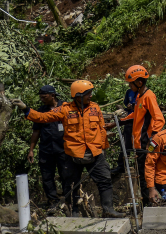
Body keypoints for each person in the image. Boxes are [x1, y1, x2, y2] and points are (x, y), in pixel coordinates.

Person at [13, 81, 126, 218]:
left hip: (95, 153)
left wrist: (102, 147)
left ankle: (108, 209)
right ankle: (74, 211)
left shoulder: (95, 108)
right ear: (78, 96)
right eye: (87, 94)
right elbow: (42, 117)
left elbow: (101, 129)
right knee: (71, 184)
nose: (90, 96)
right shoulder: (65, 109)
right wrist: (26, 109)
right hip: (73, 154)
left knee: (105, 180)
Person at [118, 65, 164, 205]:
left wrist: (152, 139)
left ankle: (150, 207)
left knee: (147, 177)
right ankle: (147, 206)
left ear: (139, 83)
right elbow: (135, 116)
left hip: (146, 144)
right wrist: (118, 123)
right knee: (143, 177)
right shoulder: (140, 96)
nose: (129, 86)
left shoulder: (149, 96)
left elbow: (159, 119)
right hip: (139, 144)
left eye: (130, 83)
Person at [26, 85, 69, 211]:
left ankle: (69, 200)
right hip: (46, 150)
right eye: (41, 97)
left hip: (63, 149)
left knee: (66, 175)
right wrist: (31, 150)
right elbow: (36, 132)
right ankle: (53, 201)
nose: (42, 100)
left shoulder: (65, 108)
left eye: (44, 97)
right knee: (47, 177)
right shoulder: (40, 111)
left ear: (52, 96)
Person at [110, 88, 136, 177]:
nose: (129, 85)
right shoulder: (129, 91)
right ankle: (121, 166)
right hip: (129, 121)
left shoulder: (143, 94)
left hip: (139, 123)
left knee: (140, 146)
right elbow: (126, 103)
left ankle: (142, 167)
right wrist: (128, 106)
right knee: (125, 145)